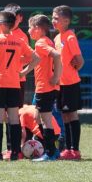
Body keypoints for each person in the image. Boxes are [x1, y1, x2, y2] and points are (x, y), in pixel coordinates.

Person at [0, 10, 39, 161]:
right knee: (14, 119)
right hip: (14, 82)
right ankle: (15, 153)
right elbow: (36, 58)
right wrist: (24, 73)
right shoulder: (19, 41)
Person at [27, 14, 63, 162]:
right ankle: (53, 150)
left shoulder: (41, 43)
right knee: (37, 116)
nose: (28, 31)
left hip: (45, 87)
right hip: (46, 87)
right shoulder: (48, 40)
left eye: (29, 27)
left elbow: (57, 56)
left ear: (36, 28)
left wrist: (56, 76)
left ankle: (50, 152)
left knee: (46, 120)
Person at [53, 5, 85, 159]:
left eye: (56, 18)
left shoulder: (70, 37)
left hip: (70, 83)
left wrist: (73, 69)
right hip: (61, 83)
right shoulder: (57, 37)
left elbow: (80, 60)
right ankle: (67, 149)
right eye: (52, 18)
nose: (53, 21)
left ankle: (75, 150)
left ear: (66, 20)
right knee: (64, 115)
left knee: (71, 114)